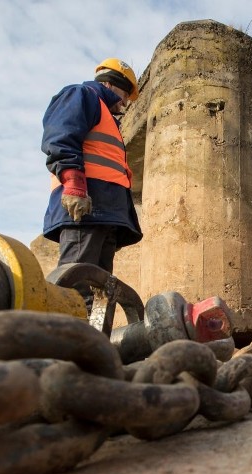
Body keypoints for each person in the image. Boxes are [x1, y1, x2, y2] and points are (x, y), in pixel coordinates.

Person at [41, 58, 143, 309]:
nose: (125, 103)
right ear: (110, 84)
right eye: (124, 94)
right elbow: (60, 138)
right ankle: (63, 344)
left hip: (106, 214)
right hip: (86, 208)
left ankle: (93, 345)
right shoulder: (82, 95)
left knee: (100, 292)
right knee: (76, 284)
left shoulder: (108, 118)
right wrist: (74, 183)